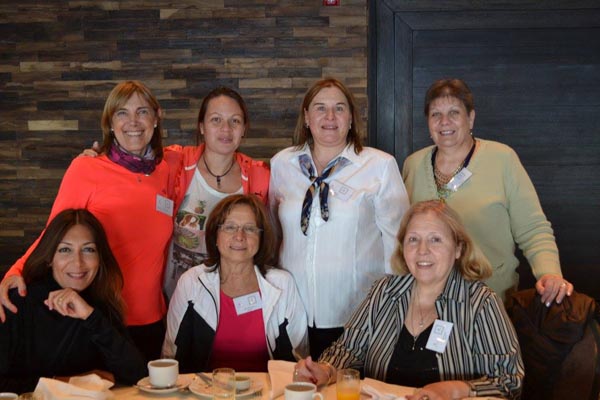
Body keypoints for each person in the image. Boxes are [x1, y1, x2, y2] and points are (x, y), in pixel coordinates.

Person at [0, 80, 175, 361]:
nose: (133, 121)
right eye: (122, 113)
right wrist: (16, 270)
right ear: (110, 122)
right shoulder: (87, 168)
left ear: (157, 118)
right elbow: (54, 233)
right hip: (98, 314)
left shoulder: (166, 168)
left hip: (151, 319)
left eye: (142, 112)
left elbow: (206, 154)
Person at [295, 200, 524, 400]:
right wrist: (325, 370)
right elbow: (348, 350)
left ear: (458, 249)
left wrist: (454, 390)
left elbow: (509, 380)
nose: (422, 250)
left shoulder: (480, 303)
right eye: (413, 240)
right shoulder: (384, 292)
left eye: (435, 240)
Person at [269, 77, 410, 359]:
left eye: (339, 108)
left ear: (351, 119)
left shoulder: (379, 165)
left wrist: (392, 307)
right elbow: (273, 231)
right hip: (293, 309)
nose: (330, 117)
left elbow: (399, 241)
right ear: (306, 117)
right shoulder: (282, 163)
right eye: (320, 108)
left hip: (356, 312)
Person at [403, 78, 573, 305]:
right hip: (427, 300)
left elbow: (533, 228)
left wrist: (549, 273)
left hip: (491, 298)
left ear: (470, 118)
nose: (444, 122)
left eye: (454, 112)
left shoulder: (502, 159)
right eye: (436, 114)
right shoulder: (413, 165)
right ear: (428, 122)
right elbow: (403, 235)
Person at [0, 209, 146, 393]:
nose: (78, 263)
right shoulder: (18, 302)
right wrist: (69, 382)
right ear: (49, 258)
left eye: (88, 249)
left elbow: (138, 375)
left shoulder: (100, 304)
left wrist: (90, 316)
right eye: (65, 250)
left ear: (99, 258)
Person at [163, 194, 308, 372]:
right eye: (230, 227)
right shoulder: (192, 282)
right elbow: (171, 355)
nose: (239, 236)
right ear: (215, 236)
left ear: (261, 238)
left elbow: (299, 359)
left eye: (250, 229)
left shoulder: (283, 284)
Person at [162, 86, 270, 298]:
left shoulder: (261, 176)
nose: (226, 129)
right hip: (175, 297)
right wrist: (96, 156)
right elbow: (133, 164)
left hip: (232, 298)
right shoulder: (174, 162)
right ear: (201, 126)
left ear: (244, 129)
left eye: (235, 121)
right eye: (216, 120)